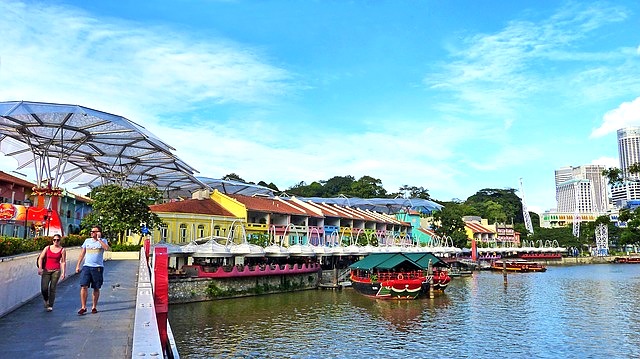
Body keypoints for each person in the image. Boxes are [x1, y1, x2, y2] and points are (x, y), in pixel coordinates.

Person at [75, 225, 110, 315]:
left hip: (97, 267)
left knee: (96, 287)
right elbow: (82, 254)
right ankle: (83, 307)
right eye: (91, 231)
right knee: (83, 286)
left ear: (99, 232)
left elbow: (106, 248)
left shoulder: (103, 241)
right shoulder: (87, 241)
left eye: (94, 231)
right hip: (87, 266)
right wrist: (78, 265)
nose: (92, 233)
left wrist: (99, 239)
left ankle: (94, 306)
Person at [37, 234, 66, 312]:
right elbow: (41, 258)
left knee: (52, 288)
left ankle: (50, 305)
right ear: (52, 240)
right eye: (54, 240)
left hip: (56, 270)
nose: (56, 241)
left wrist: (63, 272)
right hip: (46, 270)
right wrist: (40, 268)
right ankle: (46, 300)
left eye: (58, 240)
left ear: (60, 241)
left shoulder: (62, 250)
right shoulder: (47, 248)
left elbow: (63, 262)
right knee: (44, 288)